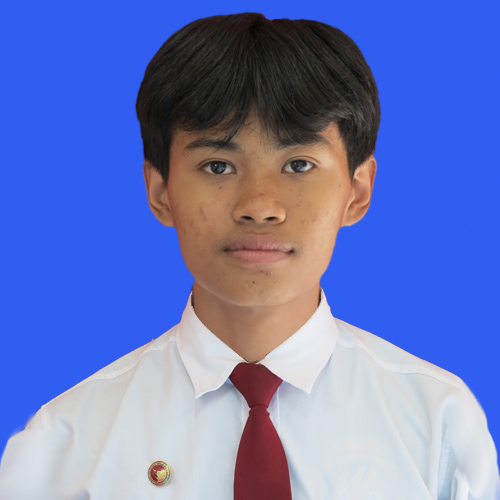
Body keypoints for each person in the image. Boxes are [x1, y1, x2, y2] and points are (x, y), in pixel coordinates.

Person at [0, 12, 498, 500]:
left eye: (298, 164)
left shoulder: (439, 421)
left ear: (358, 190)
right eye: (218, 165)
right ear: (160, 191)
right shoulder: (69, 441)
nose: (259, 206)